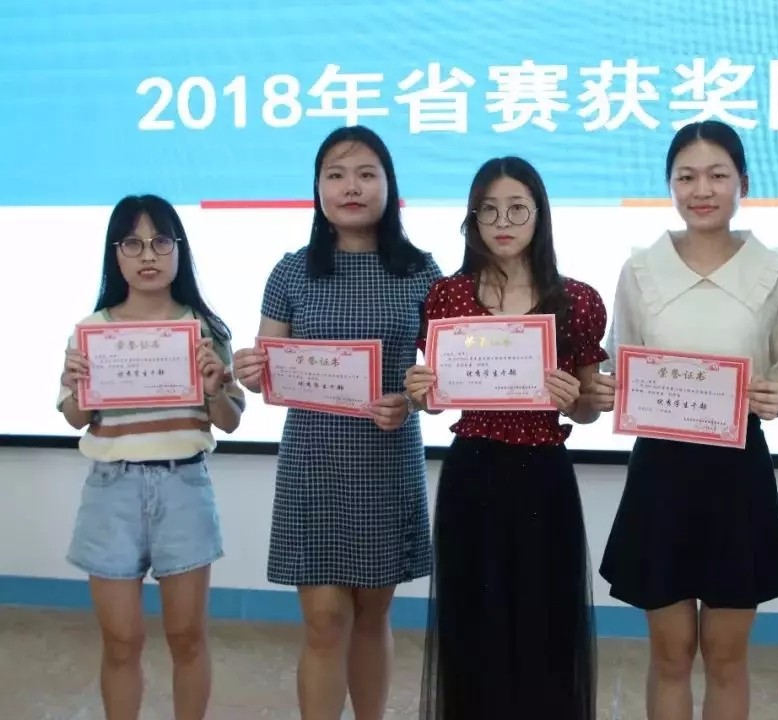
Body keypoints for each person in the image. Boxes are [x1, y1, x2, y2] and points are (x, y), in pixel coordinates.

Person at [588, 120, 778, 720]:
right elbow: (621, 364)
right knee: (670, 654)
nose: (702, 190)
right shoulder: (641, 269)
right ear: (669, 186)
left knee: (726, 655)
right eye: (686, 177)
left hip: (737, 474)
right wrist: (608, 390)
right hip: (661, 474)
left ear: (744, 183)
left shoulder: (774, 270)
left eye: (718, 175)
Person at [231, 125, 442, 720]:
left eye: (366, 174)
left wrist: (411, 401)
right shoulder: (292, 271)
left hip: (386, 459)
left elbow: (442, 381)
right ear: (318, 188)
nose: (351, 187)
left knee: (374, 613)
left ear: (389, 186)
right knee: (324, 620)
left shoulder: (421, 272)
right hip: (313, 462)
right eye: (336, 175)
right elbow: (265, 369)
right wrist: (250, 371)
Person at [405, 156, 607, 720]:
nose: (502, 222)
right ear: (471, 219)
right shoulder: (447, 296)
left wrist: (579, 398)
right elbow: (434, 396)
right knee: (473, 628)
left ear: (540, 214)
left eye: (517, 208)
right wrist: (421, 392)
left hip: (544, 475)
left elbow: (588, 410)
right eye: (488, 210)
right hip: (473, 472)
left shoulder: (577, 300)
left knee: (545, 626)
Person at [58, 194, 245, 720]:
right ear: (114, 254)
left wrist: (213, 386)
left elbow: (229, 420)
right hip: (110, 491)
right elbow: (74, 417)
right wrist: (76, 385)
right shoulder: (91, 330)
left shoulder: (206, 330)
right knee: (121, 641)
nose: (148, 255)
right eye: (132, 243)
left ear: (179, 250)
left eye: (161, 241)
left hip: (183, 487)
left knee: (187, 637)